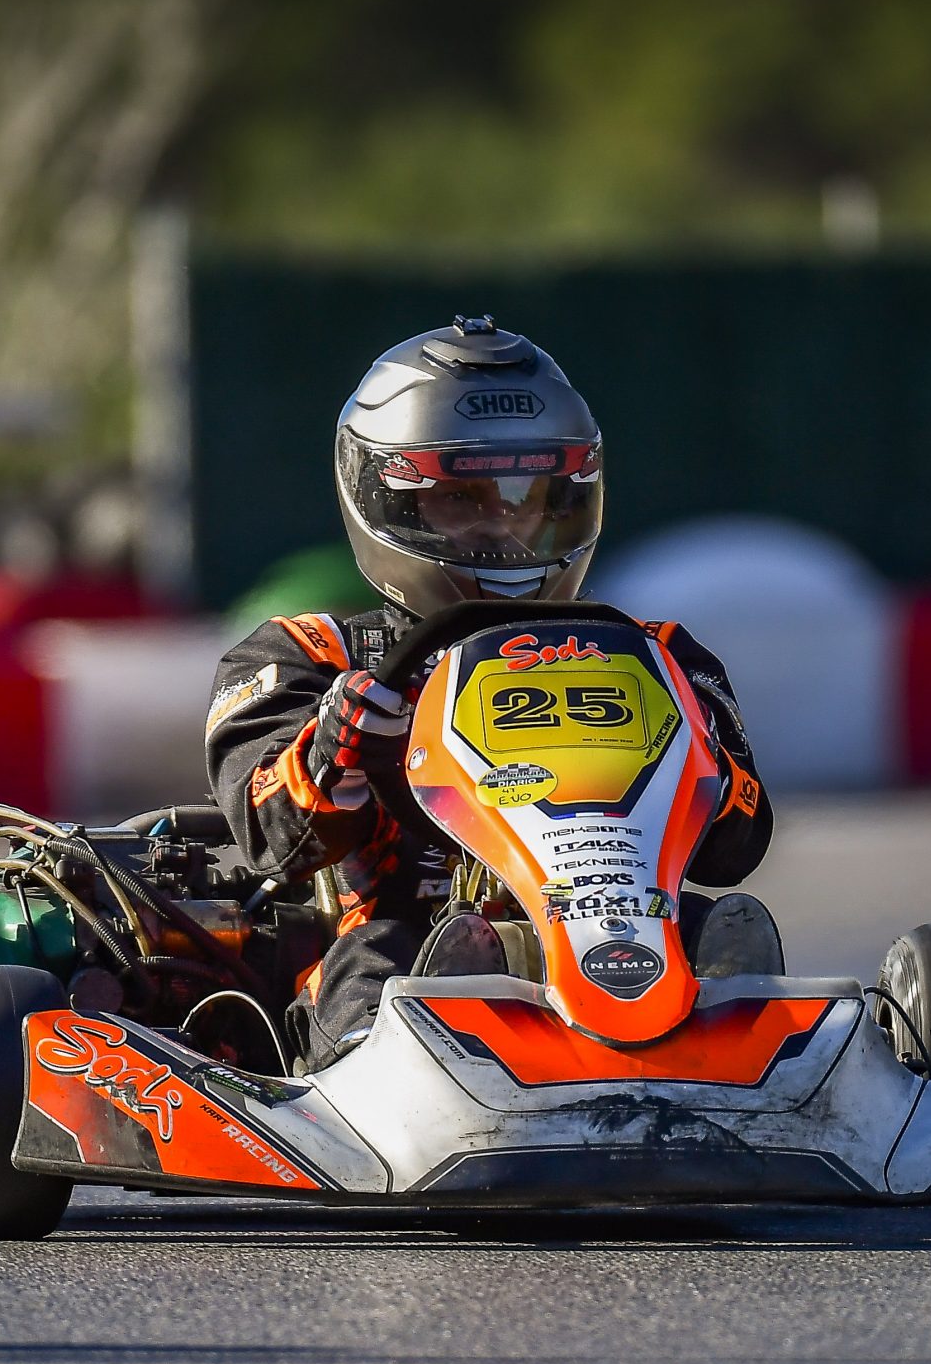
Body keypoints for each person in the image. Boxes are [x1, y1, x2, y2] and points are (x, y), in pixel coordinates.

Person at [204, 316, 774, 1067]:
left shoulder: (655, 655)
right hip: (400, 933)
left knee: (722, 932)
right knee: (383, 965)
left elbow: (736, 846)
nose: (503, 529)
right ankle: (421, 1051)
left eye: (527, 499)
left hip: (625, 923)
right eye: (465, 501)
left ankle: (738, 1055)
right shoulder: (313, 656)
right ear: (391, 500)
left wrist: (697, 756)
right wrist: (334, 749)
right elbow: (270, 836)